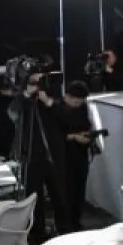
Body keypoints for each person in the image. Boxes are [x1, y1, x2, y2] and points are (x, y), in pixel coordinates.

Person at [54, 81, 96, 234]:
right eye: (76, 102)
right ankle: (66, 225)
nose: (78, 105)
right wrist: (73, 137)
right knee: (66, 191)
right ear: (67, 97)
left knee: (79, 190)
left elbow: (86, 124)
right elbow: (54, 134)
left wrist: (87, 135)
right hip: (63, 156)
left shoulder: (82, 108)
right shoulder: (57, 109)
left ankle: (76, 221)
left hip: (80, 154)